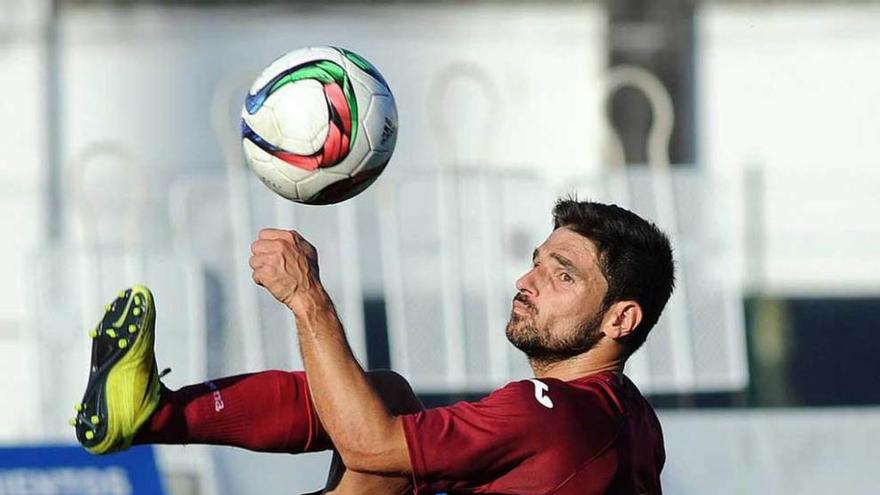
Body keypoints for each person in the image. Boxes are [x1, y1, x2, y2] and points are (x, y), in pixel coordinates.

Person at [71, 198, 674, 494]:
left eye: (562, 274)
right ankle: (152, 409)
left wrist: (306, 296)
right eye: (535, 262)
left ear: (621, 318)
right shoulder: (634, 418)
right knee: (385, 398)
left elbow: (373, 447)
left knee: (382, 444)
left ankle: (158, 413)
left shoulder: (550, 415)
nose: (525, 282)